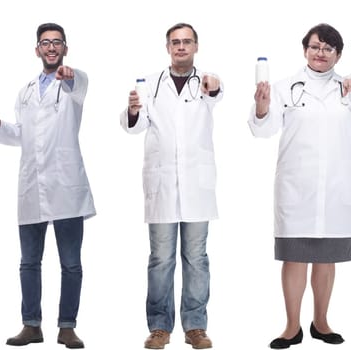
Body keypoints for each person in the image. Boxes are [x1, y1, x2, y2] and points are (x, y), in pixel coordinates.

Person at [249, 23, 351, 349]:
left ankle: (321, 322)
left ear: (338, 54)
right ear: (305, 50)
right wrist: (262, 107)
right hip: (297, 189)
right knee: (295, 259)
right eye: (315, 47)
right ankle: (291, 327)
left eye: (328, 48)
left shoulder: (349, 88)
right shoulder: (283, 87)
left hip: (335, 189)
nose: (321, 53)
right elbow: (262, 130)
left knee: (326, 259)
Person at [0, 22, 93, 350]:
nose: (51, 47)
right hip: (32, 187)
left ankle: (67, 327)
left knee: (70, 263)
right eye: (45, 43)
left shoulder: (74, 81)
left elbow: (76, 82)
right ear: (37, 50)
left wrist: (69, 75)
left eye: (57, 42)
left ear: (65, 48)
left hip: (66, 186)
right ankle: (31, 325)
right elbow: (24, 135)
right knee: (29, 262)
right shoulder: (25, 91)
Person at [121, 22, 222, 350]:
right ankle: (160, 327)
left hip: (196, 186)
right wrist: (133, 111)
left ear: (196, 46)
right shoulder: (149, 84)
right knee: (161, 258)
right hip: (162, 185)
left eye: (187, 42)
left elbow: (218, 92)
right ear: (168, 47)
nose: (181, 47)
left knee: (197, 258)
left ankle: (195, 326)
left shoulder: (206, 82)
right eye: (175, 42)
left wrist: (215, 86)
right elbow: (133, 128)